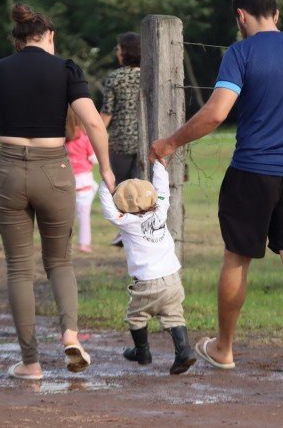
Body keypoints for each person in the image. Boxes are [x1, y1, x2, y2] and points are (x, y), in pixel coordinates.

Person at [149, 0, 283, 372]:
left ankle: (224, 348)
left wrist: (171, 142)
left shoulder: (240, 53)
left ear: (240, 16)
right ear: (276, 14)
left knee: (237, 258)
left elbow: (215, 113)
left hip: (252, 171)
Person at [0, 3, 115, 380]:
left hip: (10, 168)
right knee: (59, 261)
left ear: (18, 41)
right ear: (49, 36)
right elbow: (93, 121)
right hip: (55, 169)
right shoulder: (66, 69)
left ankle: (31, 363)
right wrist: (107, 170)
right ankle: (71, 334)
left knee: (19, 269)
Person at [98, 161, 196, 375]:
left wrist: (105, 182)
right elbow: (162, 191)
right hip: (172, 279)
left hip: (147, 282)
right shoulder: (160, 209)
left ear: (122, 205)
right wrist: (159, 166)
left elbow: (107, 209)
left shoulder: (125, 222)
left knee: (136, 317)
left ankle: (142, 352)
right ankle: (184, 350)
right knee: (173, 315)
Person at [100, 32, 141, 247]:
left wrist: (90, 135)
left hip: (120, 142)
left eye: (118, 49)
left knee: (122, 191)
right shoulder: (150, 75)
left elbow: (106, 114)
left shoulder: (115, 77)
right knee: (142, 191)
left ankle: (126, 231)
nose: (117, 52)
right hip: (146, 141)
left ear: (126, 52)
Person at [65, 107, 99, 253]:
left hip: (68, 181)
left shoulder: (62, 140)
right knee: (84, 215)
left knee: (67, 216)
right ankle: (84, 243)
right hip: (84, 181)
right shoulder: (85, 139)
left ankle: (65, 243)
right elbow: (94, 159)